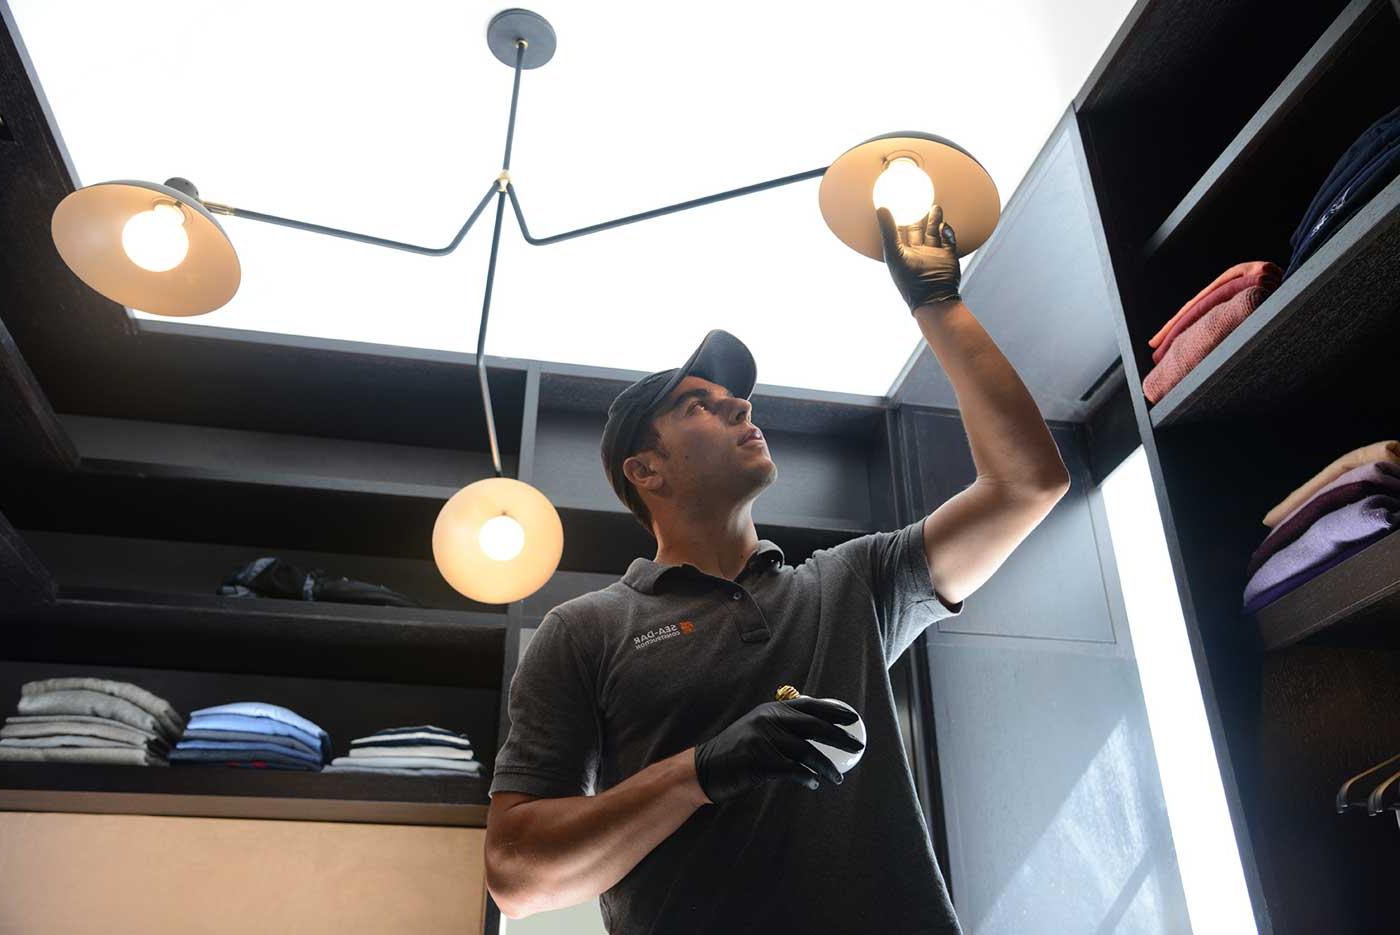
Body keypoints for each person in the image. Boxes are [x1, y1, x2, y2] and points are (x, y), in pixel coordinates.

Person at [484, 203, 1070, 933]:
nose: (737, 404)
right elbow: (517, 875)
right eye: (699, 404)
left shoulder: (852, 583)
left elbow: (1027, 485)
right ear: (646, 469)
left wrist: (940, 305)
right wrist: (704, 769)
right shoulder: (585, 630)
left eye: (735, 398)